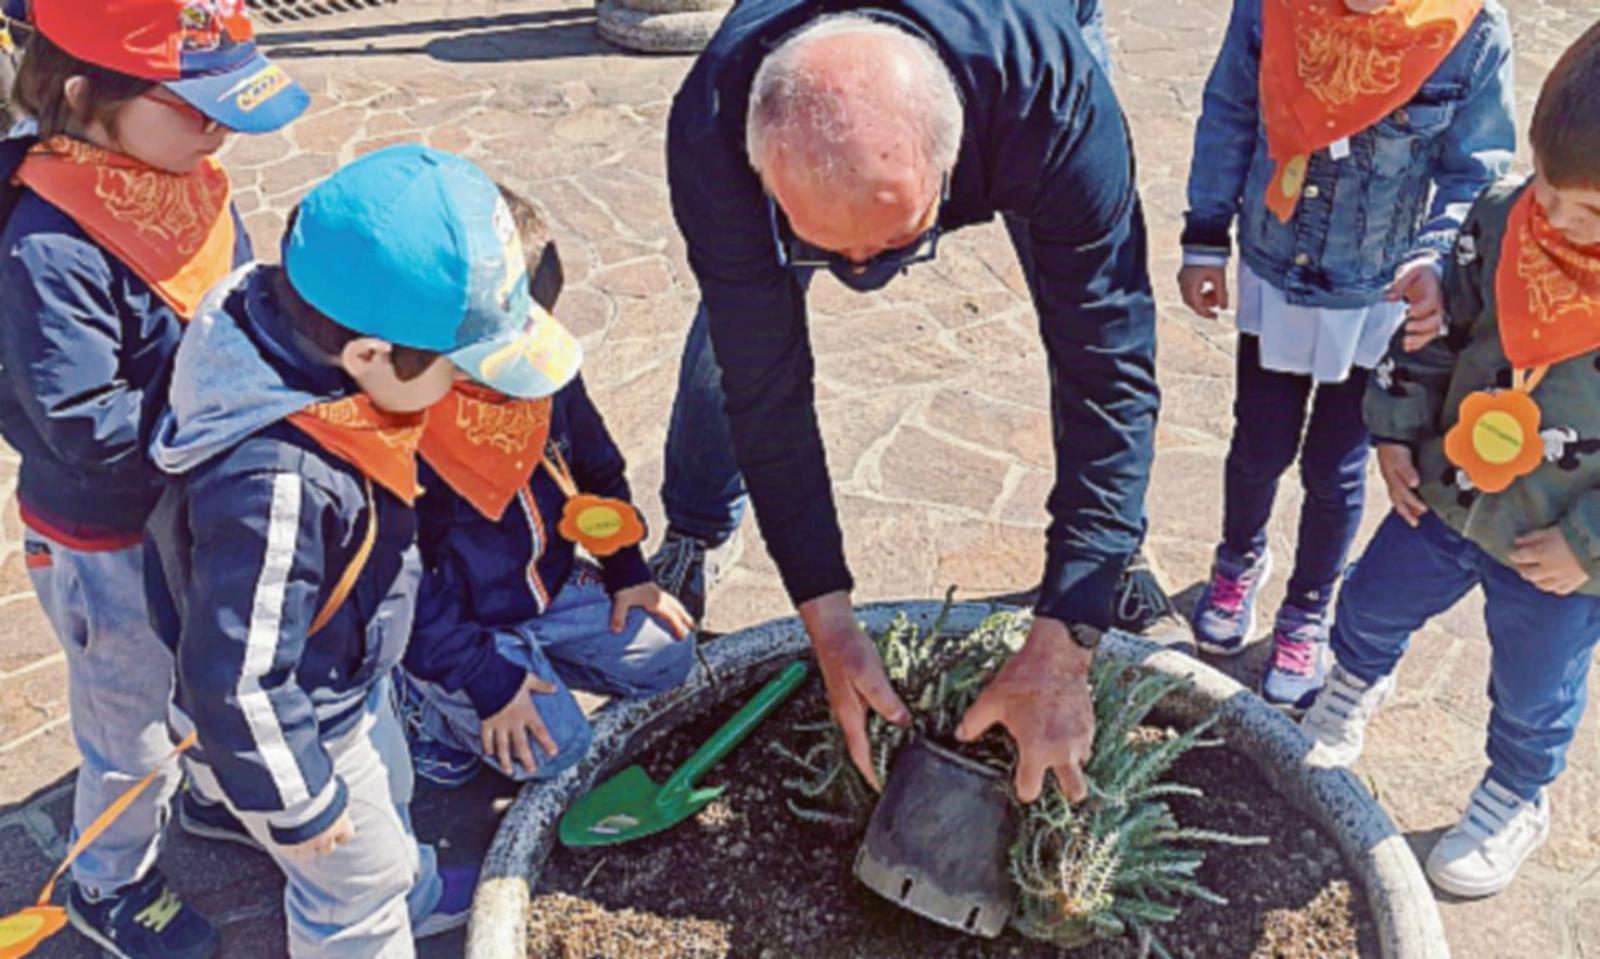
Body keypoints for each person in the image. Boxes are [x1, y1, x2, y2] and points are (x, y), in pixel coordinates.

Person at [654, 0, 1172, 806]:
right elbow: (767, 387)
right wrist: (825, 617)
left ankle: (1108, 554)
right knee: (737, 338)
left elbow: (1108, 365)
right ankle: (695, 523)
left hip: (1019, 55)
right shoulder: (714, 122)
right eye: (825, 244)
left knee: (1075, 322)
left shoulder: (1050, 99)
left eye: (896, 241)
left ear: (955, 164)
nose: (860, 273)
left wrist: (1070, 631)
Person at [142, 144, 582, 957]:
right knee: (350, 884)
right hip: (302, 706)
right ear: (370, 355)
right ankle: (378, 909)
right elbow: (236, 672)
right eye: (455, 369)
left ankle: (404, 886)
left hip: (346, 670)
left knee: (391, 787)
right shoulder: (277, 478)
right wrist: (298, 800)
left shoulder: (307, 346)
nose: (458, 390)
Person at [0, 2, 306, 955]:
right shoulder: (47, 245)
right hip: (108, 540)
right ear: (88, 97)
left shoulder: (183, 174)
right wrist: (228, 424)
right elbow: (83, 423)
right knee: (126, 728)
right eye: (199, 108)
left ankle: (210, 796)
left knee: (203, 672)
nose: (220, 133)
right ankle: (107, 881)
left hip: (192, 504)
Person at [1299, 22, 1600, 899]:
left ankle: (1516, 791)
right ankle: (1352, 680)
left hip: (1555, 549)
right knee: (1375, 597)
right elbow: (1439, 331)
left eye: (1590, 212)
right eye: (1551, 188)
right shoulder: (1506, 219)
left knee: (1536, 681)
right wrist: (1395, 427)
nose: (1559, 220)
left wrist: (1588, 541)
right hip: (1449, 490)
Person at [1178, 0, 1513, 710]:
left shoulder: (1469, 32)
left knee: (1336, 465)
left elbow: (1474, 173)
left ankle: (1307, 607)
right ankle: (1239, 557)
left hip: (1376, 295)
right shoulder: (1271, 8)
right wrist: (1205, 234)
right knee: (1257, 445)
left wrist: (1435, 260)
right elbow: (1231, 110)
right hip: (1276, 267)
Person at [396, 189, 696, 788]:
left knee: (668, 655)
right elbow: (409, 588)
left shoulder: (545, 369)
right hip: (459, 620)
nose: (526, 380)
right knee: (554, 752)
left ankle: (529, 661)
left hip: (545, 588)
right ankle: (419, 699)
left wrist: (627, 571)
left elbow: (598, 467)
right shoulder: (413, 427)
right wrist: (482, 680)